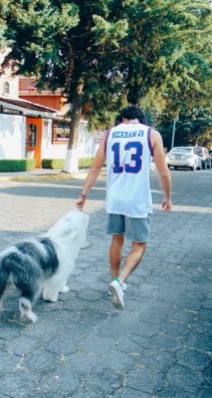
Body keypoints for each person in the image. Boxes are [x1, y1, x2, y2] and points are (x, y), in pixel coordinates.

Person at [76, 106, 171, 310]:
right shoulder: (151, 134)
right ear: (141, 120)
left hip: (115, 199)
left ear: (123, 119)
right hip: (137, 200)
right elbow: (163, 172)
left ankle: (114, 279)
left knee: (117, 239)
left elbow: (94, 168)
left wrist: (83, 195)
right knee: (139, 244)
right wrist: (167, 197)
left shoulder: (110, 134)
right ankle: (119, 282)